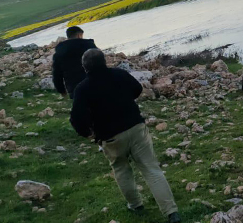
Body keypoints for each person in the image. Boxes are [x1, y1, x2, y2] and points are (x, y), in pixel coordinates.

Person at [70, 49, 181, 223]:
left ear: (85, 68)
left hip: (110, 137)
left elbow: (76, 119)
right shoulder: (119, 74)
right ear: (104, 61)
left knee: (121, 170)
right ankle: (171, 212)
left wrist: (89, 134)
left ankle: (135, 205)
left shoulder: (82, 89)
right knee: (151, 169)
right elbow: (137, 89)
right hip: (136, 127)